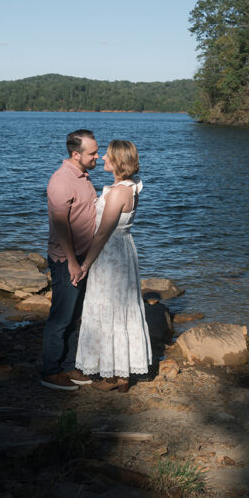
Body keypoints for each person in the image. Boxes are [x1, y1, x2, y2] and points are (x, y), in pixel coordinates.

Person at [74, 140, 151, 392]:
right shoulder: (130, 187)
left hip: (111, 255)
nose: (103, 158)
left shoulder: (119, 192)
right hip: (124, 249)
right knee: (121, 307)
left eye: (107, 155)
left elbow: (103, 233)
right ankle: (123, 375)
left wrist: (85, 264)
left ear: (118, 160)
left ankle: (112, 375)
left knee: (109, 306)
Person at [40, 129, 99, 391]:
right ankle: (50, 371)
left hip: (83, 257)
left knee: (77, 314)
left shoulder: (83, 175)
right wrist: (72, 262)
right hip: (66, 260)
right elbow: (60, 225)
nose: (99, 156)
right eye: (94, 153)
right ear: (76, 155)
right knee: (61, 317)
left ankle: (70, 366)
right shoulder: (61, 180)